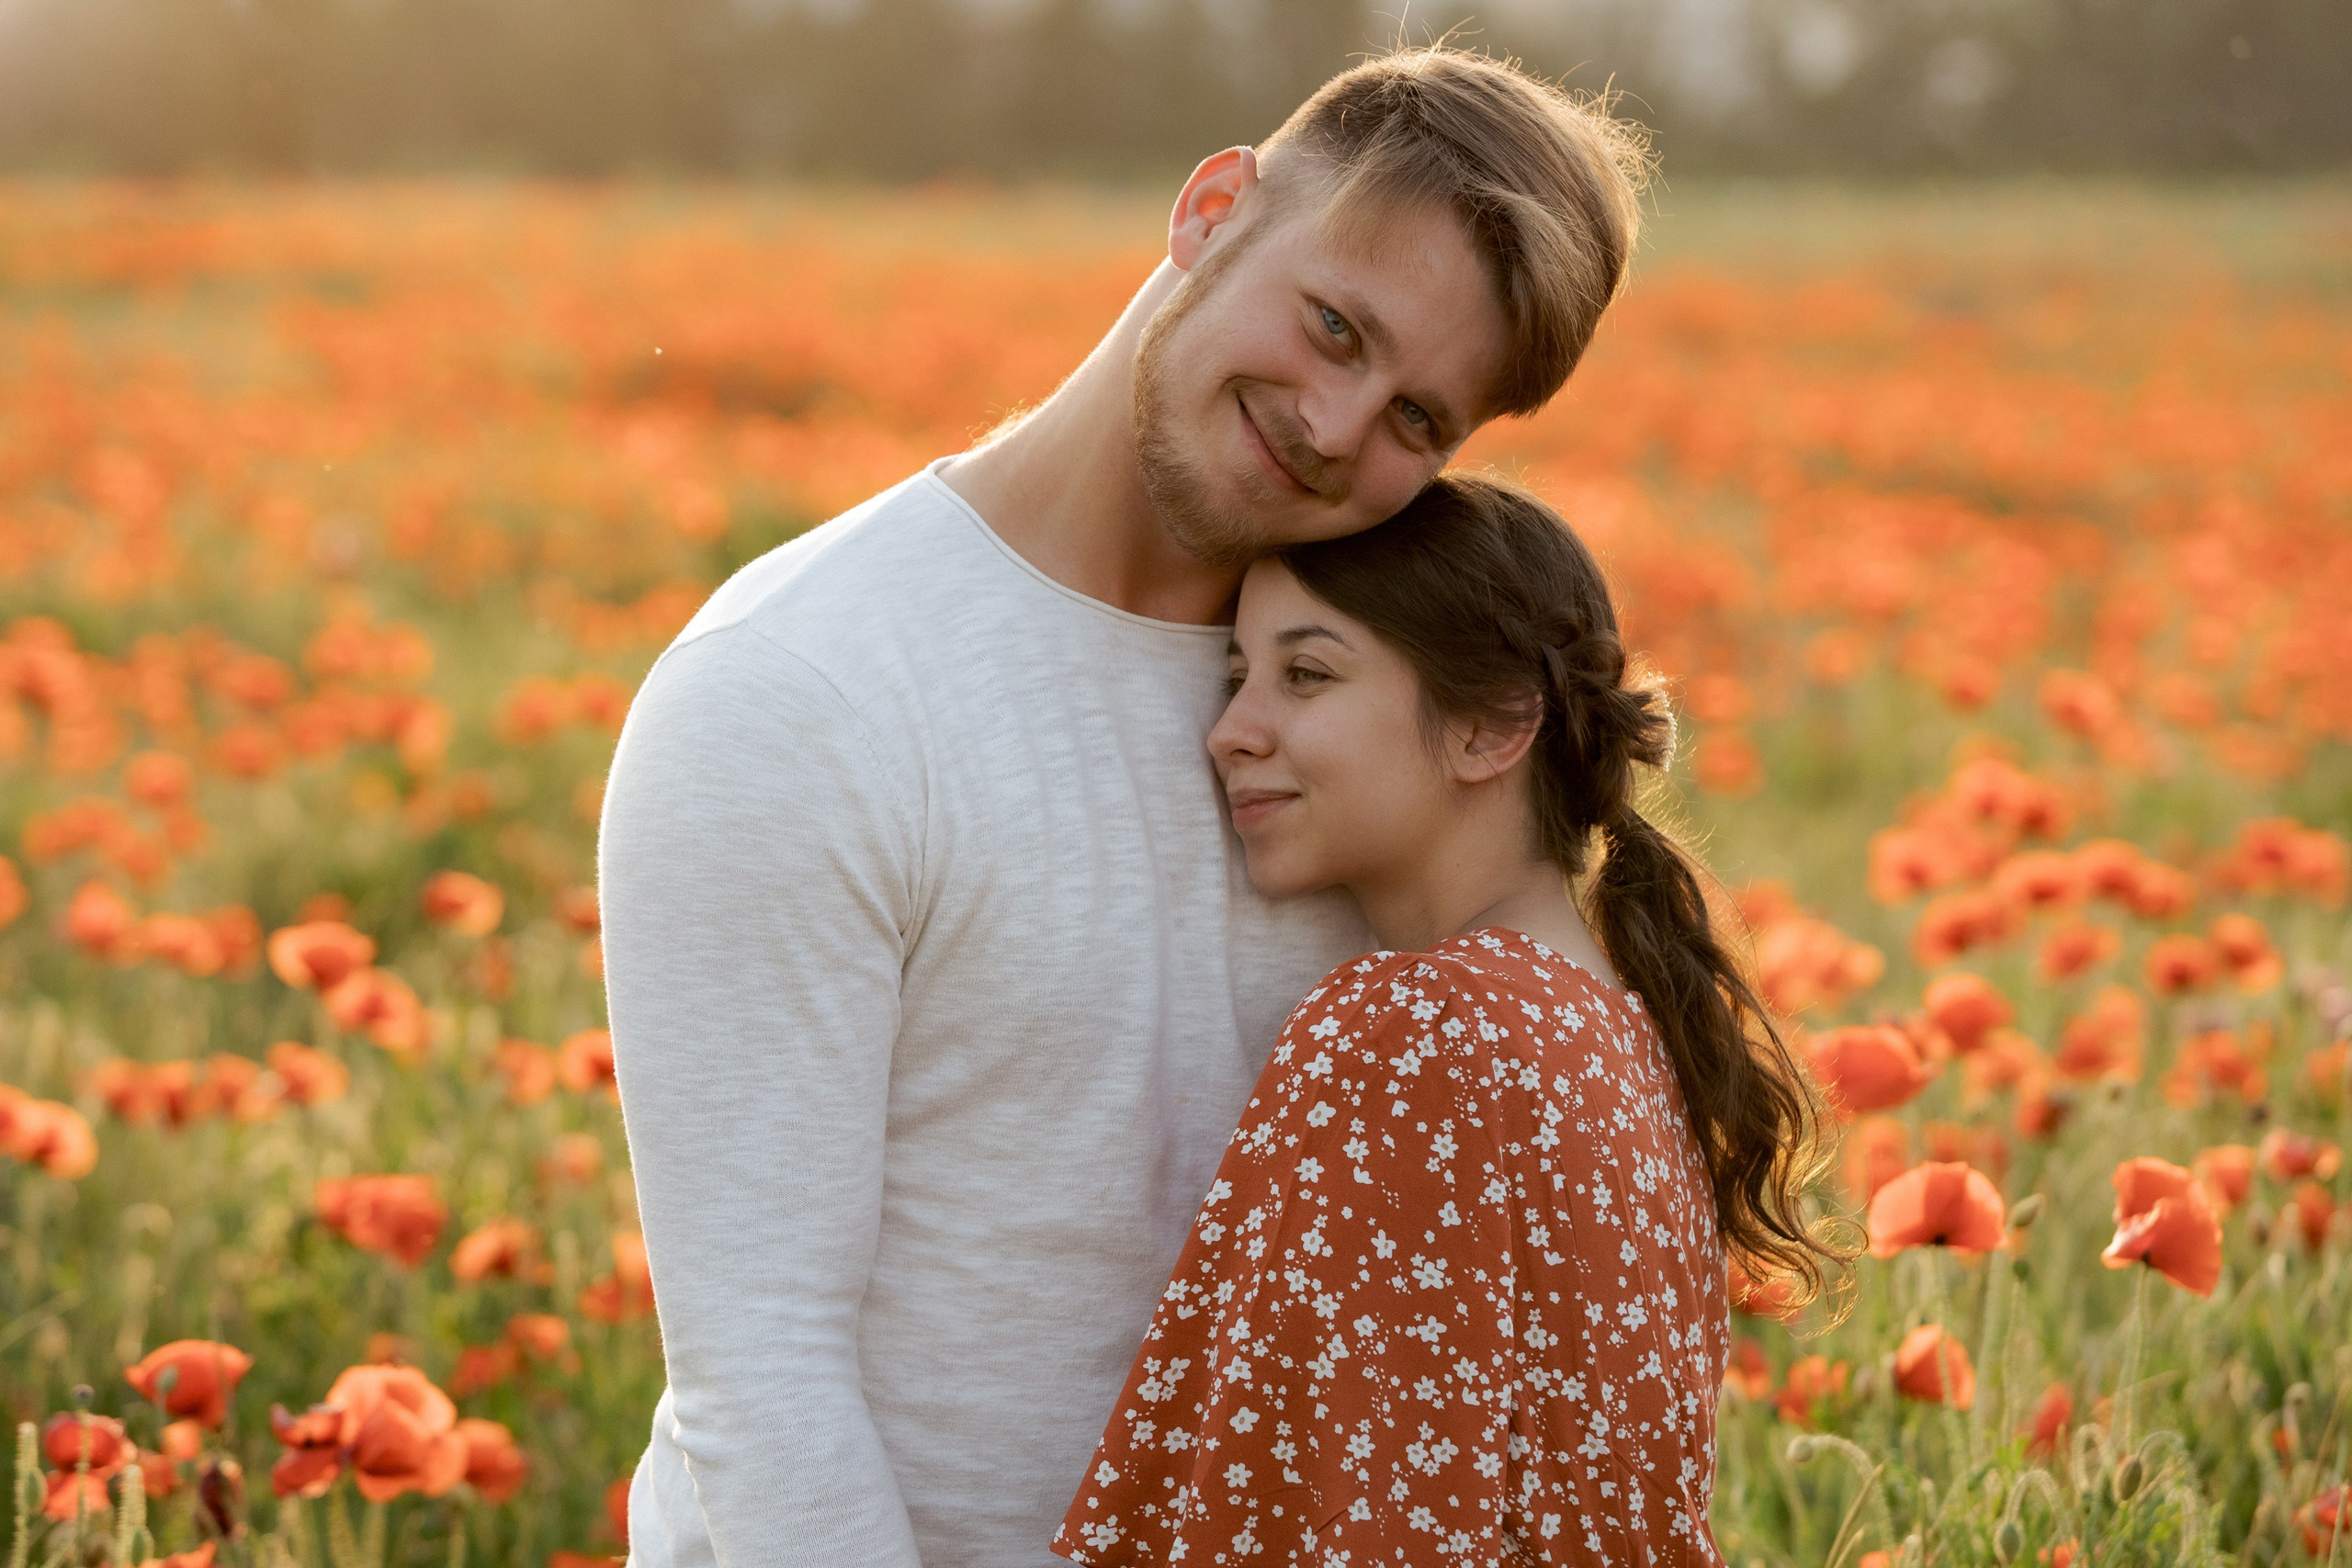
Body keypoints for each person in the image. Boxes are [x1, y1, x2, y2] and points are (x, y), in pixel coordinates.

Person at [597, 48, 1649, 1568]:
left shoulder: (1381, 723)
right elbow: (761, 1381)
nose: (1341, 424)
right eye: (1333, 325)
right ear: (1213, 210)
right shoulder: (801, 686)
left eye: (1421, 418)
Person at [1054, 475, 1842, 1566]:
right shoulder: (1624, 1028)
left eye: (1307, 674)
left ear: (1492, 725)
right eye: (1238, 678)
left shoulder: (1413, 1030)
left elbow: (1347, 1528)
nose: (1230, 732)